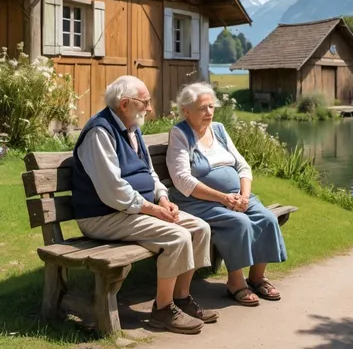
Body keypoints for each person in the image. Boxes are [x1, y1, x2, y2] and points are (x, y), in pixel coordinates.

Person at [71, 75, 218, 335]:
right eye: (145, 102)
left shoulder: (132, 127)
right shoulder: (100, 132)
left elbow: (148, 173)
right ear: (125, 104)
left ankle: (181, 298)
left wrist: (162, 198)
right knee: (177, 236)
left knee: (200, 228)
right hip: (103, 216)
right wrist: (152, 209)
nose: (150, 109)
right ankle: (162, 310)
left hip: (133, 209)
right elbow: (112, 191)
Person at [166, 82, 287, 307]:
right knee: (239, 223)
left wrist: (243, 195)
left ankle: (257, 277)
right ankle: (235, 283)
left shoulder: (219, 129)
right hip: (198, 201)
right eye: (203, 108)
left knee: (267, 218)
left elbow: (243, 166)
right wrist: (223, 198)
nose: (209, 112)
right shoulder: (180, 134)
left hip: (234, 196)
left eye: (211, 107)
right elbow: (182, 180)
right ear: (186, 111)